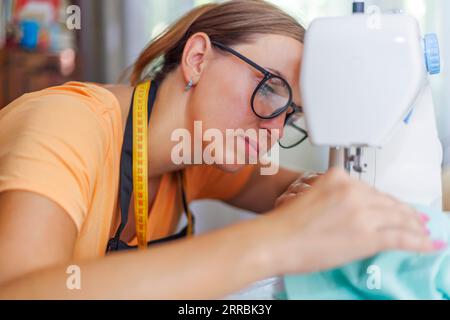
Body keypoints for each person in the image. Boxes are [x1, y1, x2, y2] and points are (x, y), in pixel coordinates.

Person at [0, 0, 438, 299]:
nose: (274, 127)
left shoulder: (195, 158)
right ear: (197, 58)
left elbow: (333, 197)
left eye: (291, 116)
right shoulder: (67, 123)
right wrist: (273, 241)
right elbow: (14, 291)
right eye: (270, 89)